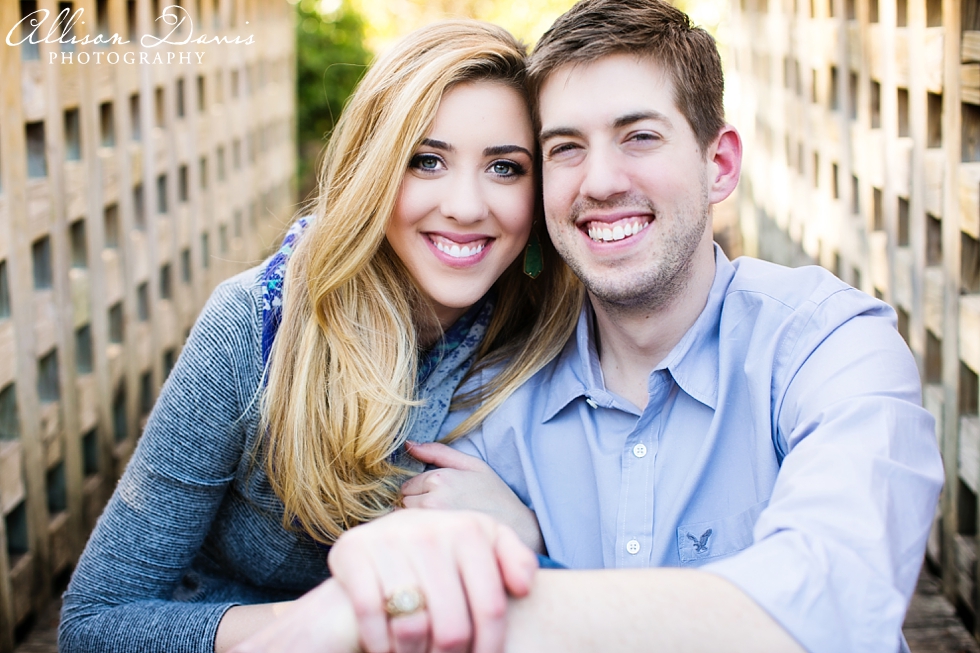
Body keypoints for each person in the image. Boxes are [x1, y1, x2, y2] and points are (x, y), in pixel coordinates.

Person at [232, 1, 946, 652]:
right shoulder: (486, 403)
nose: (599, 180)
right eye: (566, 147)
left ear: (719, 164)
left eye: (639, 136)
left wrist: (532, 562)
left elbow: (827, 609)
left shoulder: (831, 349)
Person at [57, 20, 583, 653]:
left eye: (505, 167)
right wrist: (340, 621)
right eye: (426, 161)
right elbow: (93, 622)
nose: (467, 205)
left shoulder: (550, 335)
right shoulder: (255, 329)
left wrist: (529, 533)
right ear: (374, 167)